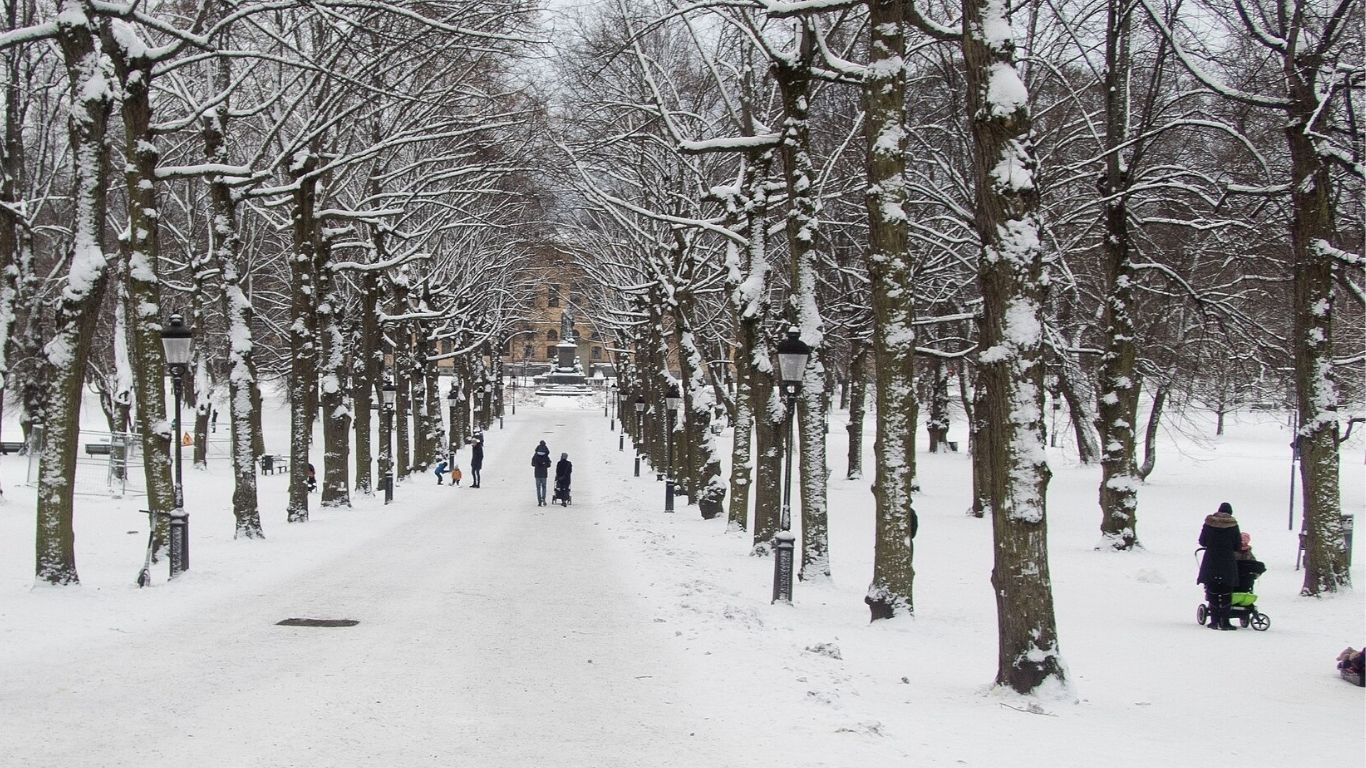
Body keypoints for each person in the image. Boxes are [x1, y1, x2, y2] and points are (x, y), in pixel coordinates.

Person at [1198, 501, 1242, 630]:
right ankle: (1225, 621)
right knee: (1226, 591)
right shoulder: (1233, 525)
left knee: (1212, 588)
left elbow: (1202, 541)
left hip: (1211, 560)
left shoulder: (1209, 523)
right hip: (1227, 561)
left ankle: (1214, 620)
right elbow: (1237, 545)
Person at [531, 440, 551, 506]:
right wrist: (544, 465)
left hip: (537, 473)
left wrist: (537, 464)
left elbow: (532, 464)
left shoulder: (535, 455)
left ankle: (539, 501)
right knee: (544, 487)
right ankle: (544, 499)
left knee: (538, 488)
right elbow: (549, 465)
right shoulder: (546, 455)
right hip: (544, 474)